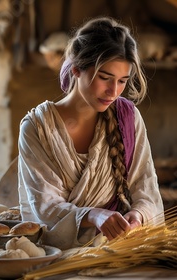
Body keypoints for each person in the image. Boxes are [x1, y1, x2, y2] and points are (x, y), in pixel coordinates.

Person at [17, 17, 164, 250]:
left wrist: (138, 216)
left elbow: (145, 187)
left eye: (122, 81)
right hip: (57, 258)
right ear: (76, 69)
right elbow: (44, 206)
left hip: (118, 252)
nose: (113, 91)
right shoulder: (37, 128)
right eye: (105, 78)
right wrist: (94, 216)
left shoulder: (128, 118)